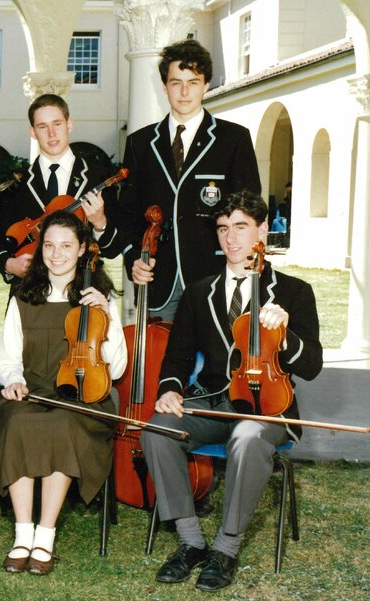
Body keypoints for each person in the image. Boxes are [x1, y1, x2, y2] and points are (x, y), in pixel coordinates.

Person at [141, 191, 322, 591]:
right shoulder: (199, 291)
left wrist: (285, 335)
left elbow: (312, 366)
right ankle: (190, 542)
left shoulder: (294, 291)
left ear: (262, 231)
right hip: (213, 401)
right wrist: (170, 390)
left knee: (247, 435)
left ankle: (225, 548)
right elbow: (177, 360)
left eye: (241, 227)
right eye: (224, 229)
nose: (231, 238)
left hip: (268, 406)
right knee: (157, 431)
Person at [0, 210, 126, 575]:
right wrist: (13, 380)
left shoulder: (99, 298)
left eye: (66, 246)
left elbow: (117, 367)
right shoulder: (23, 296)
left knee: (61, 425)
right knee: (15, 424)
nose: (56, 254)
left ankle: (45, 535)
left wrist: (106, 318)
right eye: (49, 245)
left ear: (81, 250)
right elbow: (8, 358)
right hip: (32, 393)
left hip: (82, 398)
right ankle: (22, 533)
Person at [115, 39, 261, 320]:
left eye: (193, 82)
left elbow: (250, 210)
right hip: (158, 279)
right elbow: (127, 215)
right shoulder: (140, 143)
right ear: (164, 86)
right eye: (175, 82)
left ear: (206, 85)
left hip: (216, 276)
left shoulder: (234, 139)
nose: (184, 92)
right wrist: (134, 258)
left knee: (218, 362)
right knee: (162, 363)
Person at [0, 94, 121, 283]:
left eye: (57, 124)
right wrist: (8, 264)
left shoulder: (98, 177)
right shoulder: (16, 184)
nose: (51, 133)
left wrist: (100, 223)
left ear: (69, 124)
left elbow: (113, 249)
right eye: (42, 126)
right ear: (32, 132)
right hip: (29, 292)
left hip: (83, 291)